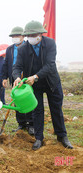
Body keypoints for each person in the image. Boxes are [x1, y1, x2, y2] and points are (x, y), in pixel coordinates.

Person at [12, 20, 73, 150]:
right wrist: (17, 77)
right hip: (33, 85)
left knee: (56, 109)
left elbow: (50, 65)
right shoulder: (23, 49)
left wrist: (35, 76)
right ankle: (39, 138)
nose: (31, 38)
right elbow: (17, 66)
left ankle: (62, 136)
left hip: (51, 82)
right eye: (29, 36)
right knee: (37, 110)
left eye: (33, 35)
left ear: (40, 34)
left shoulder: (50, 43)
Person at [2, 26, 34, 135]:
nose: (15, 38)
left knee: (26, 100)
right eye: (13, 36)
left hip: (26, 78)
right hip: (14, 79)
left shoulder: (28, 47)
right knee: (16, 101)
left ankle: (31, 124)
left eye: (17, 36)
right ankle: (21, 123)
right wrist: (4, 78)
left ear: (23, 36)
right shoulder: (10, 49)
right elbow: (6, 64)